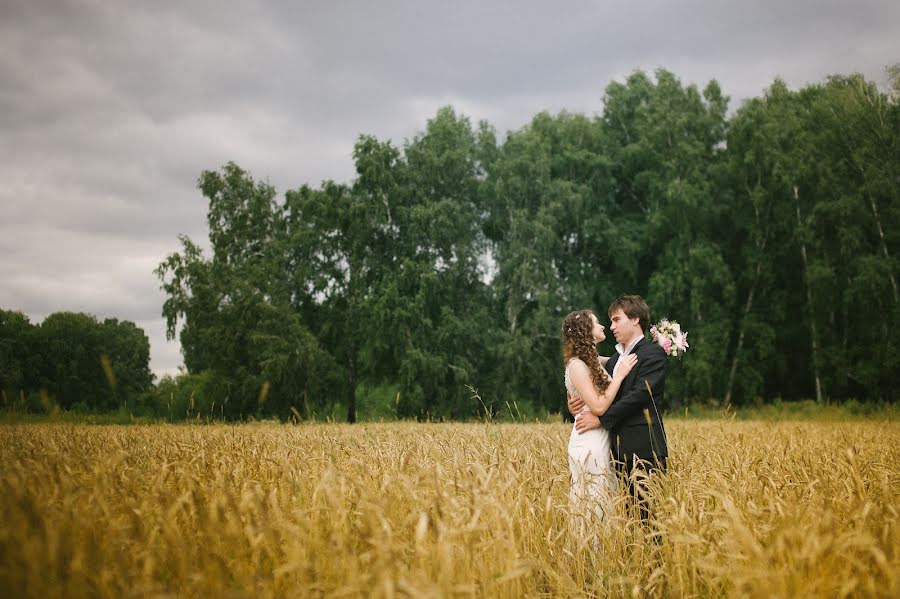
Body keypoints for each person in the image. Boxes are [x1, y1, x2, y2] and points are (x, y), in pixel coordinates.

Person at [568, 295, 669, 522]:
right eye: (609, 322)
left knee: (649, 522)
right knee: (622, 523)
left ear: (635, 320)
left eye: (616, 320)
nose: (611, 326)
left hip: (645, 451)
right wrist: (575, 403)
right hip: (611, 455)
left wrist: (602, 420)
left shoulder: (653, 354)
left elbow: (639, 396)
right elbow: (591, 383)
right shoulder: (614, 360)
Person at [562, 309, 637, 526]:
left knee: (604, 500)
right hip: (588, 440)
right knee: (592, 501)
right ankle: (589, 558)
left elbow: (618, 360)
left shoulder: (592, 361)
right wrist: (620, 376)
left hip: (600, 436)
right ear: (586, 330)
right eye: (597, 323)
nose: (603, 326)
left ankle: (604, 555)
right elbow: (598, 406)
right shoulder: (577, 365)